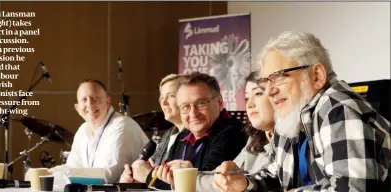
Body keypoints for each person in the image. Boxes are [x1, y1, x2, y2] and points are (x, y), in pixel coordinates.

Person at [213, 31, 391, 192]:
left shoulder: (338, 109)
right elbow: (276, 175)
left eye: (278, 77)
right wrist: (244, 183)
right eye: (266, 82)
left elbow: (353, 189)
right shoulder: (292, 117)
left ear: (317, 76)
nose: (268, 91)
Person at [147, 72, 248, 190]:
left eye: (201, 104)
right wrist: (164, 177)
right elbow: (152, 180)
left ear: (219, 102)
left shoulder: (233, 131)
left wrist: (178, 178)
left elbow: (209, 182)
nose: (193, 113)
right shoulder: (183, 135)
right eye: (185, 107)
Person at [63, 79, 149, 183]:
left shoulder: (121, 125)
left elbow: (107, 175)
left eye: (95, 98)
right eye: (84, 99)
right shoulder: (82, 130)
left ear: (108, 102)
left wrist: (69, 175)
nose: (90, 103)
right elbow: (71, 168)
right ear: (77, 108)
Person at [203, 71, 275, 192]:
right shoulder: (256, 137)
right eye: (246, 97)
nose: (249, 104)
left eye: (258, 93)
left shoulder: (290, 139)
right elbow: (221, 179)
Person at [119, 74, 185, 183]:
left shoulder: (194, 136)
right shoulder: (169, 134)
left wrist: (148, 176)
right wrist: (133, 176)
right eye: (162, 97)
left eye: (171, 96)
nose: (164, 103)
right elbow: (150, 167)